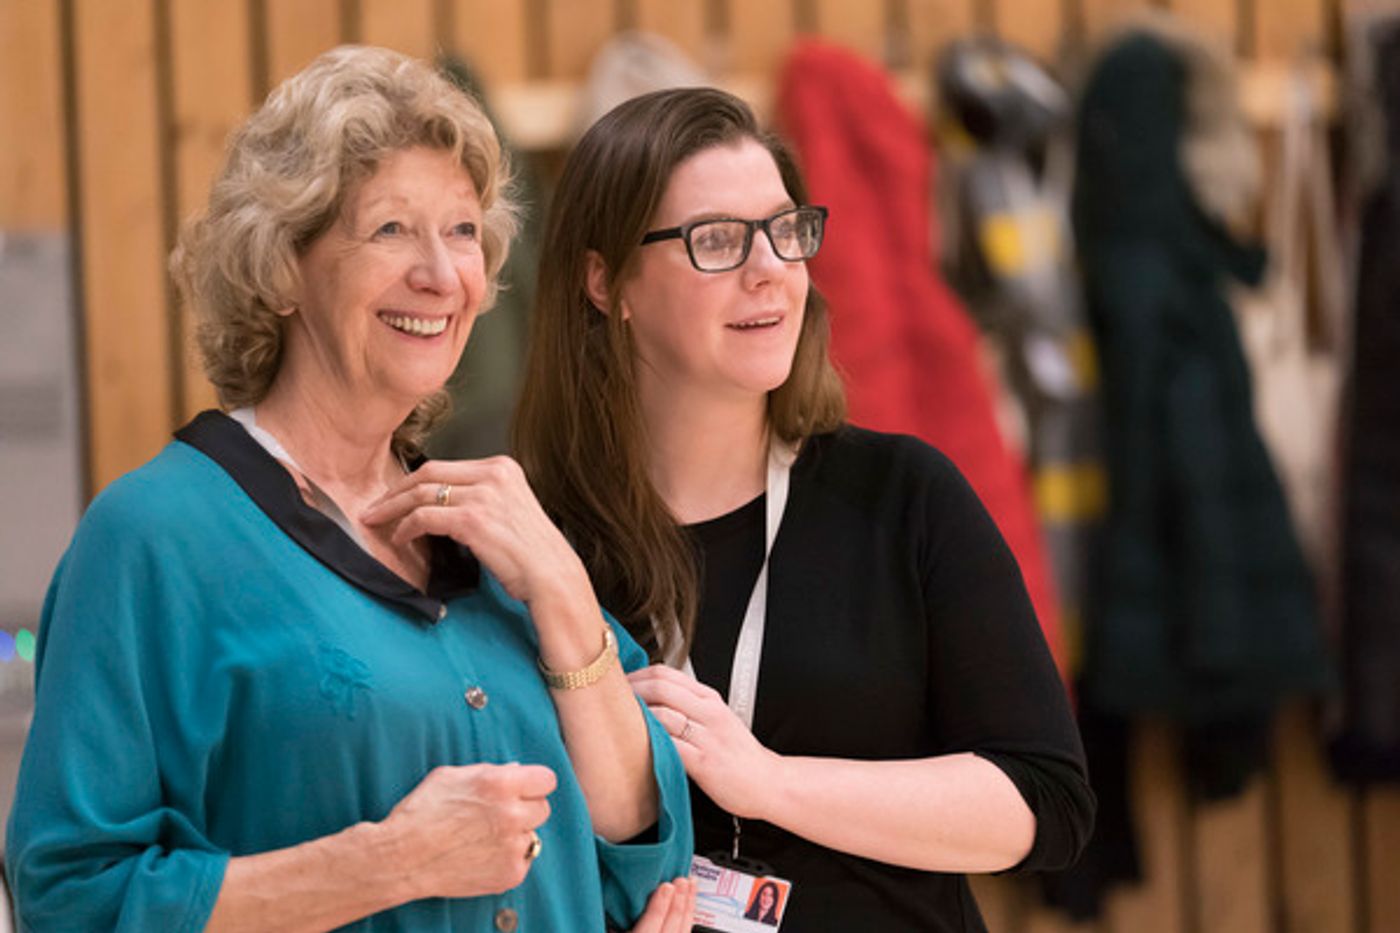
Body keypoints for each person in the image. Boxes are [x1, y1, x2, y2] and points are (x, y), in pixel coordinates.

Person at [4, 46, 693, 932]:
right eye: (391, 230)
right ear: (283, 266)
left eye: (461, 231)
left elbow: (648, 856)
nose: (441, 274)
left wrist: (564, 591)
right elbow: (71, 899)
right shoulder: (153, 539)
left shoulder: (507, 528)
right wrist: (388, 863)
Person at [513, 86, 1096, 932]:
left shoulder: (905, 496)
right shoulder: (537, 548)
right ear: (606, 283)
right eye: (718, 239)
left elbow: (1045, 799)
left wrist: (768, 781)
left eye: (786, 230)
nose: (770, 269)